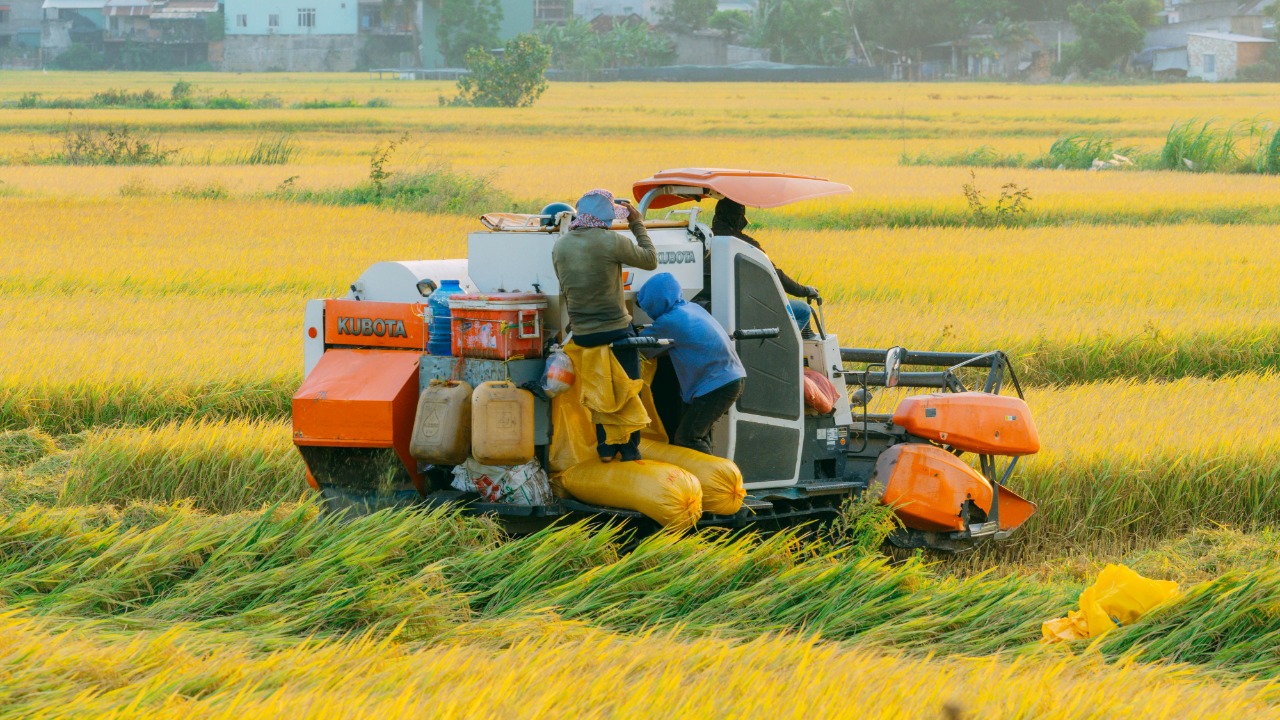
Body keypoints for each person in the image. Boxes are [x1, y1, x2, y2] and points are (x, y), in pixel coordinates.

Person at [552, 188, 658, 462]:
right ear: (605, 217)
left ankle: (605, 449)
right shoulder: (611, 240)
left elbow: (565, 289)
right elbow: (650, 260)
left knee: (600, 388)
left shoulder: (560, 245)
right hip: (616, 330)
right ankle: (630, 449)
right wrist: (636, 224)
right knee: (628, 386)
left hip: (584, 335)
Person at [636, 273, 747, 456]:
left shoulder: (669, 321)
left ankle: (715, 480)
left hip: (716, 385)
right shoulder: (692, 308)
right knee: (699, 435)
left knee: (687, 438)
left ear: (655, 302)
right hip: (730, 378)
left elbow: (641, 347)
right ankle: (707, 478)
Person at [709, 197, 820, 334]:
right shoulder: (744, 244)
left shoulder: (703, 240)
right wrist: (804, 291)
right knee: (803, 310)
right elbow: (774, 274)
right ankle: (781, 348)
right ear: (738, 219)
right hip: (746, 308)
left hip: (712, 308)